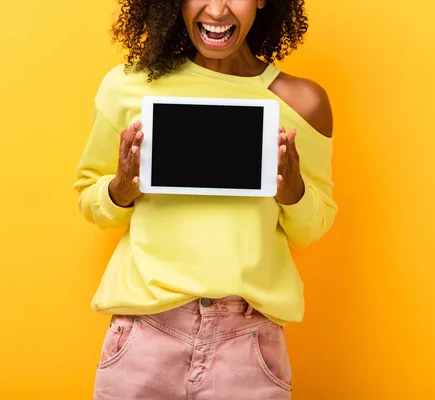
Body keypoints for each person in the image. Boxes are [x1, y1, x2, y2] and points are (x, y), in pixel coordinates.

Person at [73, 0, 338, 398]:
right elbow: (89, 197)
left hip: (247, 343)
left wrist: (293, 192)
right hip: (145, 333)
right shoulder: (127, 86)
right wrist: (121, 189)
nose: (217, 10)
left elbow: (311, 228)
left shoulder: (303, 103)